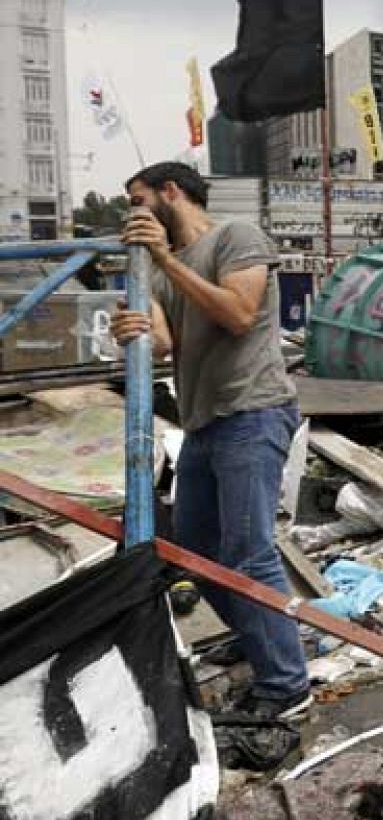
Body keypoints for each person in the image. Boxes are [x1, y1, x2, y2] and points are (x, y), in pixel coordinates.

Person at [108, 162, 311, 720]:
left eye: (138, 199)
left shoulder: (236, 237)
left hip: (253, 411)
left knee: (248, 554)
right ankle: (263, 638)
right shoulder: (155, 272)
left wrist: (167, 261)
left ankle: (288, 686)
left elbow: (240, 314)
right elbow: (167, 342)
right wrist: (131, 327)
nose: (132, 213)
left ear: (170, 193)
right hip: (202, 424)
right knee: (198, 556)